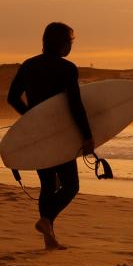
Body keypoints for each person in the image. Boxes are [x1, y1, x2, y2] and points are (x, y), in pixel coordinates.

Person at [7, 22, 94, 250]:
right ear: (63, 44)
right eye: (70, 43)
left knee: (48, 184)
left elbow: (12, 98)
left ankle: (49, 238)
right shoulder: (67, 68)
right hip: (59, 134)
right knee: (71, 185)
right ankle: (46, 221)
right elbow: (75, 105)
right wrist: (87, 136)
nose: (71, 47)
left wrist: (32, 116)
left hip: (38, 133)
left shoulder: (28, 65)